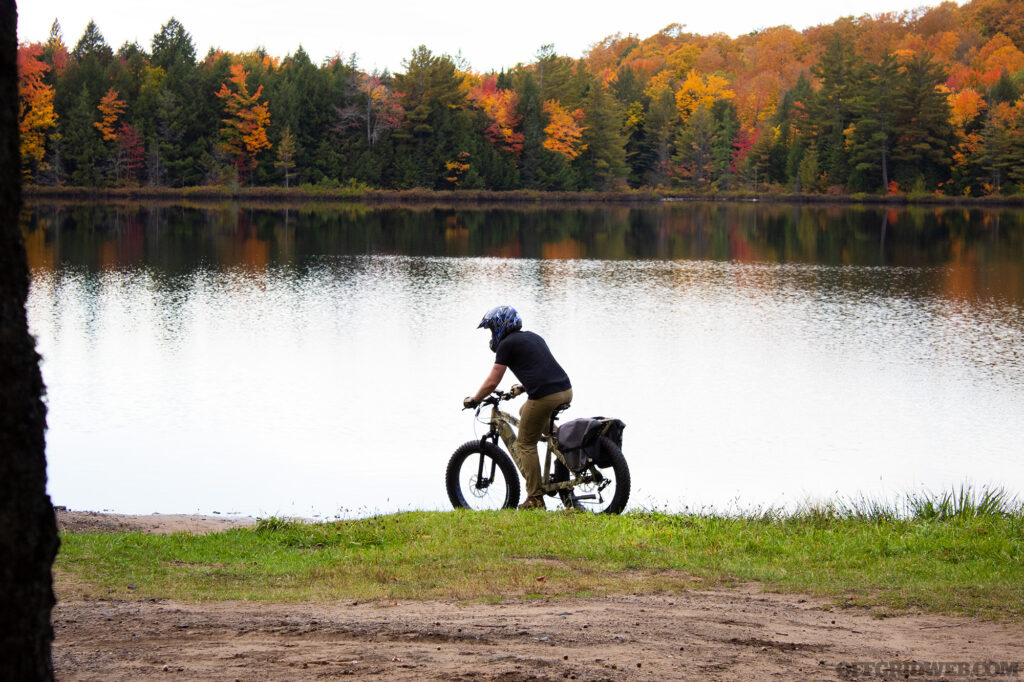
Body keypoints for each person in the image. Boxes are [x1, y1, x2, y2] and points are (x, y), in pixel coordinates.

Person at [464, 306, 572, 510]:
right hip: (565, 390)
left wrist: (475, 399)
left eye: (490, 329)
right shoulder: (533, 337)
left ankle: (535, 498)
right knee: (524, 412)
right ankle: (560, 444)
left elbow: (492, 381)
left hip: (545, 396)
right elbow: (542, 368)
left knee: (525, 443)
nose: (491, 335)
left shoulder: (506, 344)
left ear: (499, 326)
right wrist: (522, 388)